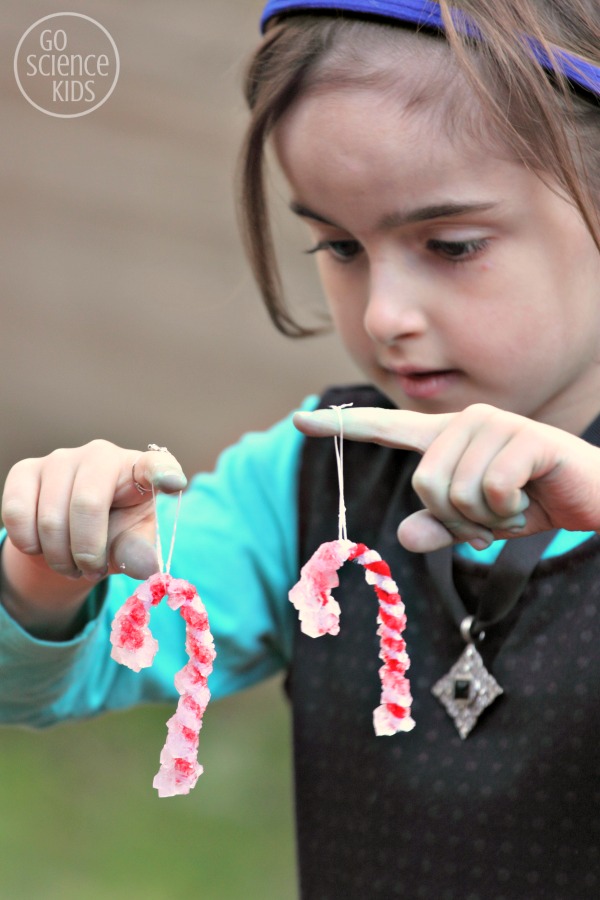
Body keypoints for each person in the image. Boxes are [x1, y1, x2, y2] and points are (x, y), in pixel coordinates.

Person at [2, 0, 600, 896]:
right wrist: (51, 563)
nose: (384, 314)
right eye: (341, 245)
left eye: (451, 244)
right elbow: (35, 686)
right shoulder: (307, 480)